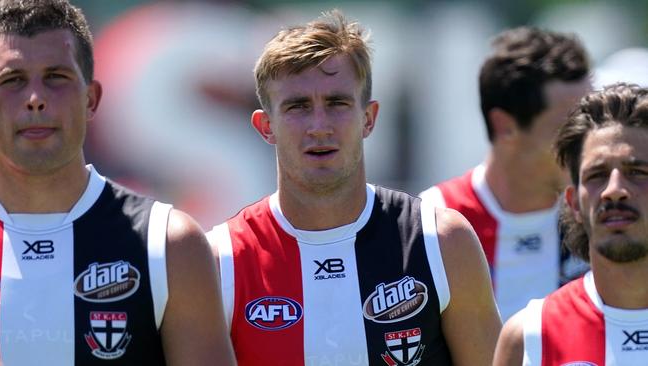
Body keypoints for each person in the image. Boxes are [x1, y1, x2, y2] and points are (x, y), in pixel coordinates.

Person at [207, 9, 501, 366]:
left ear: (369, 117)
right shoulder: (219, 260)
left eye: (337, 103)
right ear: (265, 126)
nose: (319, 126)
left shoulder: (442, 242)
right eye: (298, 106)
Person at [0, 1, 236, 365]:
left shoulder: (168, 244)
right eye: (12, 80)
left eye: (56, 77)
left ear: (91, 99)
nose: (35, 100)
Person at [419, 26, 592, 320]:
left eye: (590, 123)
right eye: (568, 126)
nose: (587, 142)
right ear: (504, 126)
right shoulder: (431, 221)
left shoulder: (601, 215)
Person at [494, 83, 648, 365]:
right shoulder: (529, 336)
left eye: (637, 172)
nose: (613, 189)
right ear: (574, 202)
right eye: (597, 175)